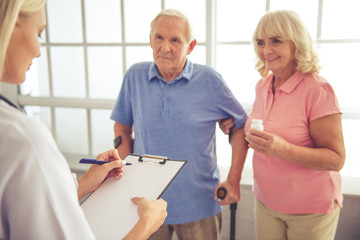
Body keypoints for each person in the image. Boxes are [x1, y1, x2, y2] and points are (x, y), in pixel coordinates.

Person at [0, 0, 167, 239]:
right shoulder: (22, 138)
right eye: (39, 33)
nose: (38, 51)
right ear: (11, 25)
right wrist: (145, 225)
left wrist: (85, 182)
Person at [111, 8, 249, 240]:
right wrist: (127, 180)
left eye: (175, 40)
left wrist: (234, 180)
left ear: (191, 46)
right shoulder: (135, 76)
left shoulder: (209, 80)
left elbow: (239, 128)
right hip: (146, 203)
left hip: (199, 203)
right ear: (150, 40)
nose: (165, 47)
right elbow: (122, 128)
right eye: (159, 38)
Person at [221, 9, 346, 240]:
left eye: (276, 41)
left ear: (296, 43)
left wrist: (283, 149)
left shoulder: (318, 90)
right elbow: (260, 127)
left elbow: (336, 159)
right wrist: (236, 125)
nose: (266, 51)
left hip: (310, 209)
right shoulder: (263, 85)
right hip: (267, 201)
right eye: (260, 42)